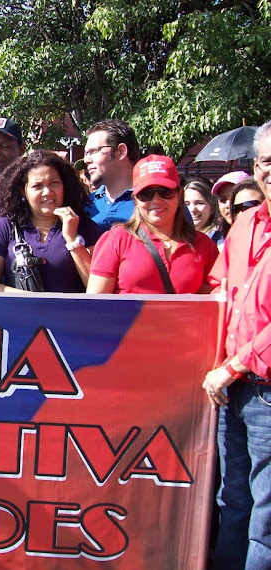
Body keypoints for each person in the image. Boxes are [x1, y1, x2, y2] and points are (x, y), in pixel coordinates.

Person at [203, 120, 271, 569]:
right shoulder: (244, 221)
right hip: (230, 389)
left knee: (265, 520)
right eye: (268, 160)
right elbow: (219, 288)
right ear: (255, 166)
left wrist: (233, 366)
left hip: (263, 388)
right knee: (233, 503)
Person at [87, 155, 218, 294]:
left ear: (179, 195)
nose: (156, 200)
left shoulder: (204, 245)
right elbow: (96, 305)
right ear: (135, 199)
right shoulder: (115, 240)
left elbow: (212, 304)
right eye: (146, 193)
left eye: (165, 191)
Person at [0, 150, 101, 293]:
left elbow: (97, 291)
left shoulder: (85, 227)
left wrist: (73, 240)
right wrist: (33, 301)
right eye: (37, 186)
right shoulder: (6, 225)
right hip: (22, 314)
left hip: (71, 314)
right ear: (23, 191)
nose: (47, 191)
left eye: (54, 183)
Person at [84, 119, 140, 230]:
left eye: (94, 151)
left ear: (121, 151)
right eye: (86, 153)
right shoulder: (86, 205)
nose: (86, 160)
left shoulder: (154, 202)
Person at [184, 177, 223, 247]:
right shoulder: (175, 238)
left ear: (212, 208)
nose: (192, 209)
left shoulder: (221, 242)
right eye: (187, 204)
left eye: (199, 203)